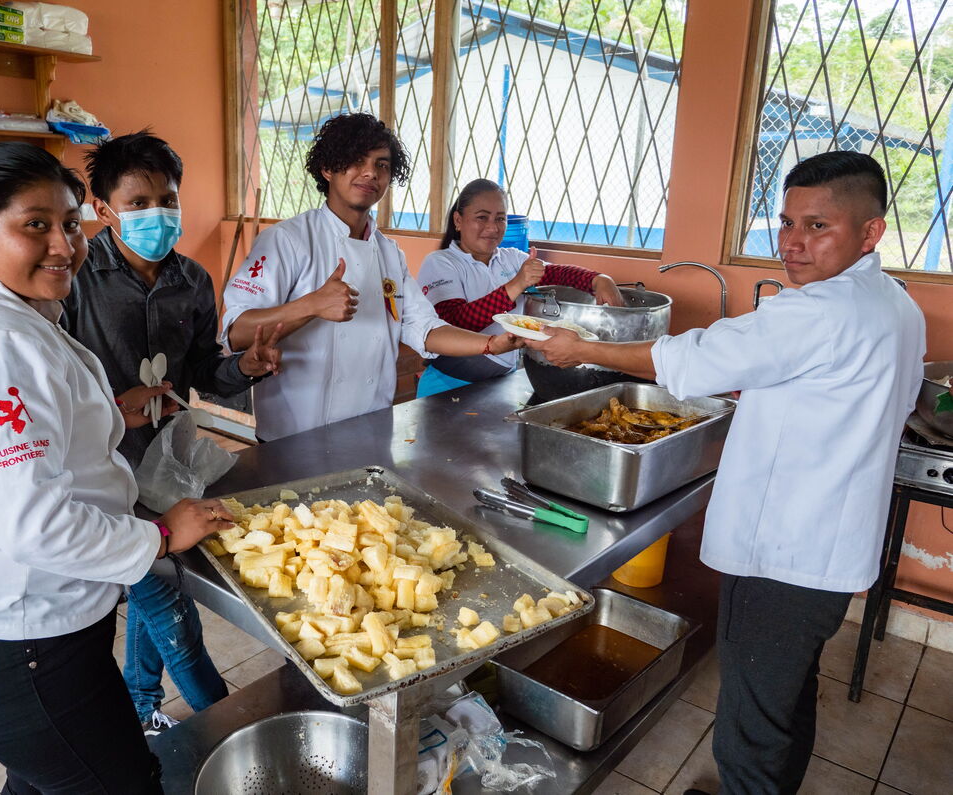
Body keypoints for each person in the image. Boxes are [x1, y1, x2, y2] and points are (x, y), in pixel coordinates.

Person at [524, 151, 925, 795]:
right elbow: (877, 399)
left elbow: (699, 360)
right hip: (828, 549)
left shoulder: (819, 310)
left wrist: (581, 348)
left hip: (784, 553)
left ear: (870, 232)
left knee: (750, 725)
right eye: (786, 222)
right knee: (786, 694)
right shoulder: (894, 304)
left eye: (817, 226)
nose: (792, 244)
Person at [0, 141, 236, 794]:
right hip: (20, 640)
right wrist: (161, 534)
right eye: (34, 225)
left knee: (42, 782)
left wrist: (108, 412)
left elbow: (30, 433)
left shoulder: (14, 315)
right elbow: (37, 524)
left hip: (18, 628)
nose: (63, 245)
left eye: (70, 224)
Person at [61, 131, 281, 735]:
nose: (157, 214)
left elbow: (206, 371)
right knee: (170, 606)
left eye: (168, 199)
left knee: (158, 580)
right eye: (137, 203)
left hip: (170, 466)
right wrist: (111, 405)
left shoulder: (193, 279)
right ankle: (234, 725)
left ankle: (138, 705)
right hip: (104, 473)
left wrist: (246, 368)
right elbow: (56, 389)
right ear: (103, 211)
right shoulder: (75, 280)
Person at [221, 113, 521, 441]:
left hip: (370, 433)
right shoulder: (287, 240)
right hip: (293, 437)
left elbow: (425, 328)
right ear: (328, 168)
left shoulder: (389, 253)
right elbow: (236, 332)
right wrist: (310, 305)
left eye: (381, 164)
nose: (369, 173)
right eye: (355, 160)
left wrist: (492, 344)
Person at [416, 178, 624, 396]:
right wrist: (516, 284)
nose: (492, 227)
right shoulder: (441, 262)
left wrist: (598, 279)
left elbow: (559, 274)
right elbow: (453, 322)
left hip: (499, 384)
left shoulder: (511, 258)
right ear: (458, 220)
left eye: (500, 219)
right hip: (448, 385)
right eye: (482, 217)